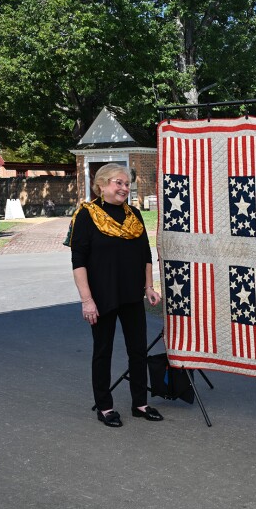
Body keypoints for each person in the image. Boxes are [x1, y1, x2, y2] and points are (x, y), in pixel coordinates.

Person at [70, 163, 162, 428]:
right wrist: (87, 300)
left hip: (132, 294)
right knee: (103, 351)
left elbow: (145, 254)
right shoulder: (87, 215)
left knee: (137, 350)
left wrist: (148, 287)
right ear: (101, 186)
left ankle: (140, 404)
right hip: (101, 297)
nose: (124, 187)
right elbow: (79, 261)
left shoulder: (133, 214)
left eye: (126, 183)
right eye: (118, 183)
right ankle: (105, 406)